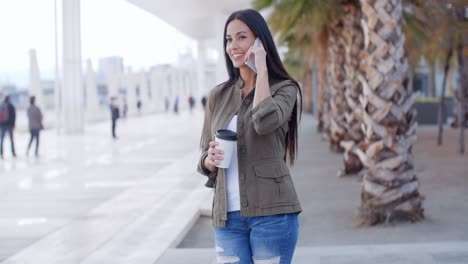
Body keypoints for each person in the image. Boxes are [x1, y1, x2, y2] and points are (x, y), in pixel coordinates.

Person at [197, 9, 302, 264]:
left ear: (259, 42)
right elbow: (202, 154)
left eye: (241, 37)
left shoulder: (285, 89)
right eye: (228, 39)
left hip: (272, 214)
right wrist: (208, 160)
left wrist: (262, 69)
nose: (233, 46)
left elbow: (265, 122)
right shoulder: (217, 96)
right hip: (227, 219)